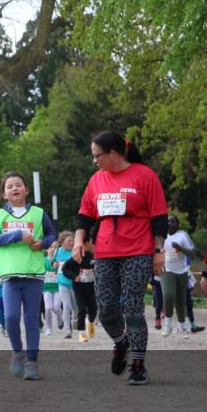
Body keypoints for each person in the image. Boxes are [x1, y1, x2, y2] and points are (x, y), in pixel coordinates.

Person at [72, 131, 169, 386]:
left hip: (137, 250)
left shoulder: (145, 176)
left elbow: (159, 217)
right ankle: (120, 342)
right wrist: (79, 240)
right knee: (105, 309)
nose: (94, 161)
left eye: (97, 156)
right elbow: (85, 216)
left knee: (133, 308)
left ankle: (138, 364)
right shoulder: (96, 181)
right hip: (104, 252)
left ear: (113, 155)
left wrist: (158, 251)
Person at [0, 171, 57, 380]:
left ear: (26, 190)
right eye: (9, 186)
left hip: (33, 275)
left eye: (18, 185)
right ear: (4, 194)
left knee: (31, 319)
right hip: (9, 276)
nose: (15, 188)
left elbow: (52, 234)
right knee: (10, 317)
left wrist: (43, 243)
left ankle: (32, 362)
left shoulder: (38, 213)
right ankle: (17, 351)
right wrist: (17, 235)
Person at [161, 215, 198, 338]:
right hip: (166, 269)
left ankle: (182, 328)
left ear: (177, 224)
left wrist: (180, 248)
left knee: (181, 301)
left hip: (182, 271)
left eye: (172, 222)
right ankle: (167, 324)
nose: (170, 223)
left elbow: (192, 253)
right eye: (168, 222)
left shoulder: (182, 236)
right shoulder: (160, 236)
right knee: (168, 295)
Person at [63, 228, 98, 343]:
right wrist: (74, 277)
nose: (94, 245)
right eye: (92, 243)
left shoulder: (95, 256)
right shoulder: (77, 257)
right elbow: (65, 269)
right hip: (79, 287)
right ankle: (81, 333)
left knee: (93, 309)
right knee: (81, 309)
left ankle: (91, 322)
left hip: (91, 287)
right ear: (86, 244)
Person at [50, 231, 76, 339]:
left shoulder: (75, 251)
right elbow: (52, 264)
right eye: (69, 241)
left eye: (72, 240)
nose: (71, 242)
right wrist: (54, 264)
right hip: (62, 283)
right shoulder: (57, 252)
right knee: (66, 305)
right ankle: (67, 330)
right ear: (62, 242)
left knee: (76, 308)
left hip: (74, 283)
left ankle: (75, 320)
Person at [42, 242, 61, 335]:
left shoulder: (59, 260)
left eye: (55, 247)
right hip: (46, 288)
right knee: (48, 307)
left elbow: (62, 272)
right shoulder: (43, 260)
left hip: (57, 288)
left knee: (56, 308)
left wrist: (58, 267)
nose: (53, 249)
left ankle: (59, 318)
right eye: (51, 247)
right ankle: (48, 328)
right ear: (46, 249)